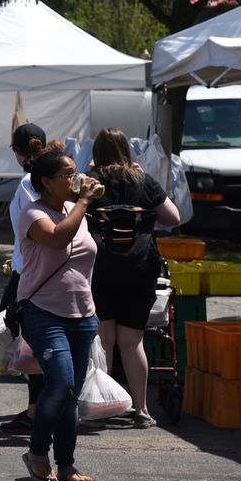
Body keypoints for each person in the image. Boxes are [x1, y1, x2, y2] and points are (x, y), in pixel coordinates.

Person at [86, 127, 181, 428]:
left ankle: (103, 404)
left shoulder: (91, 184)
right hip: (140, 269)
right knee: (132, 341)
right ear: (127, 151)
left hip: (101, 268)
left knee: (105, 339)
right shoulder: (143, 180)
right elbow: (174, 218)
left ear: (96, 154)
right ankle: (141, 409)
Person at [17, 148, 100, 481]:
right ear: (47, 182)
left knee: (72, 395)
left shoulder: (73, 210)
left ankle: (66, 465)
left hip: (83, 314)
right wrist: (83, 201)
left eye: (74, 172)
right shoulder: (33, 214)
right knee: (61, 383)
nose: (74, 178)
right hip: (43, 312)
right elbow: (56, 238)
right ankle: (38, 452)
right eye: (67, 175)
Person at [0, 123, 49, 434]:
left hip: (29, 272)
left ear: (19, 154)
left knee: (28, 342)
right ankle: (40, 407)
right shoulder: (56, 179)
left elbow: (32, 228)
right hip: (48, 267)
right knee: (41, 341)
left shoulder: (28, 184)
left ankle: (36, 410)